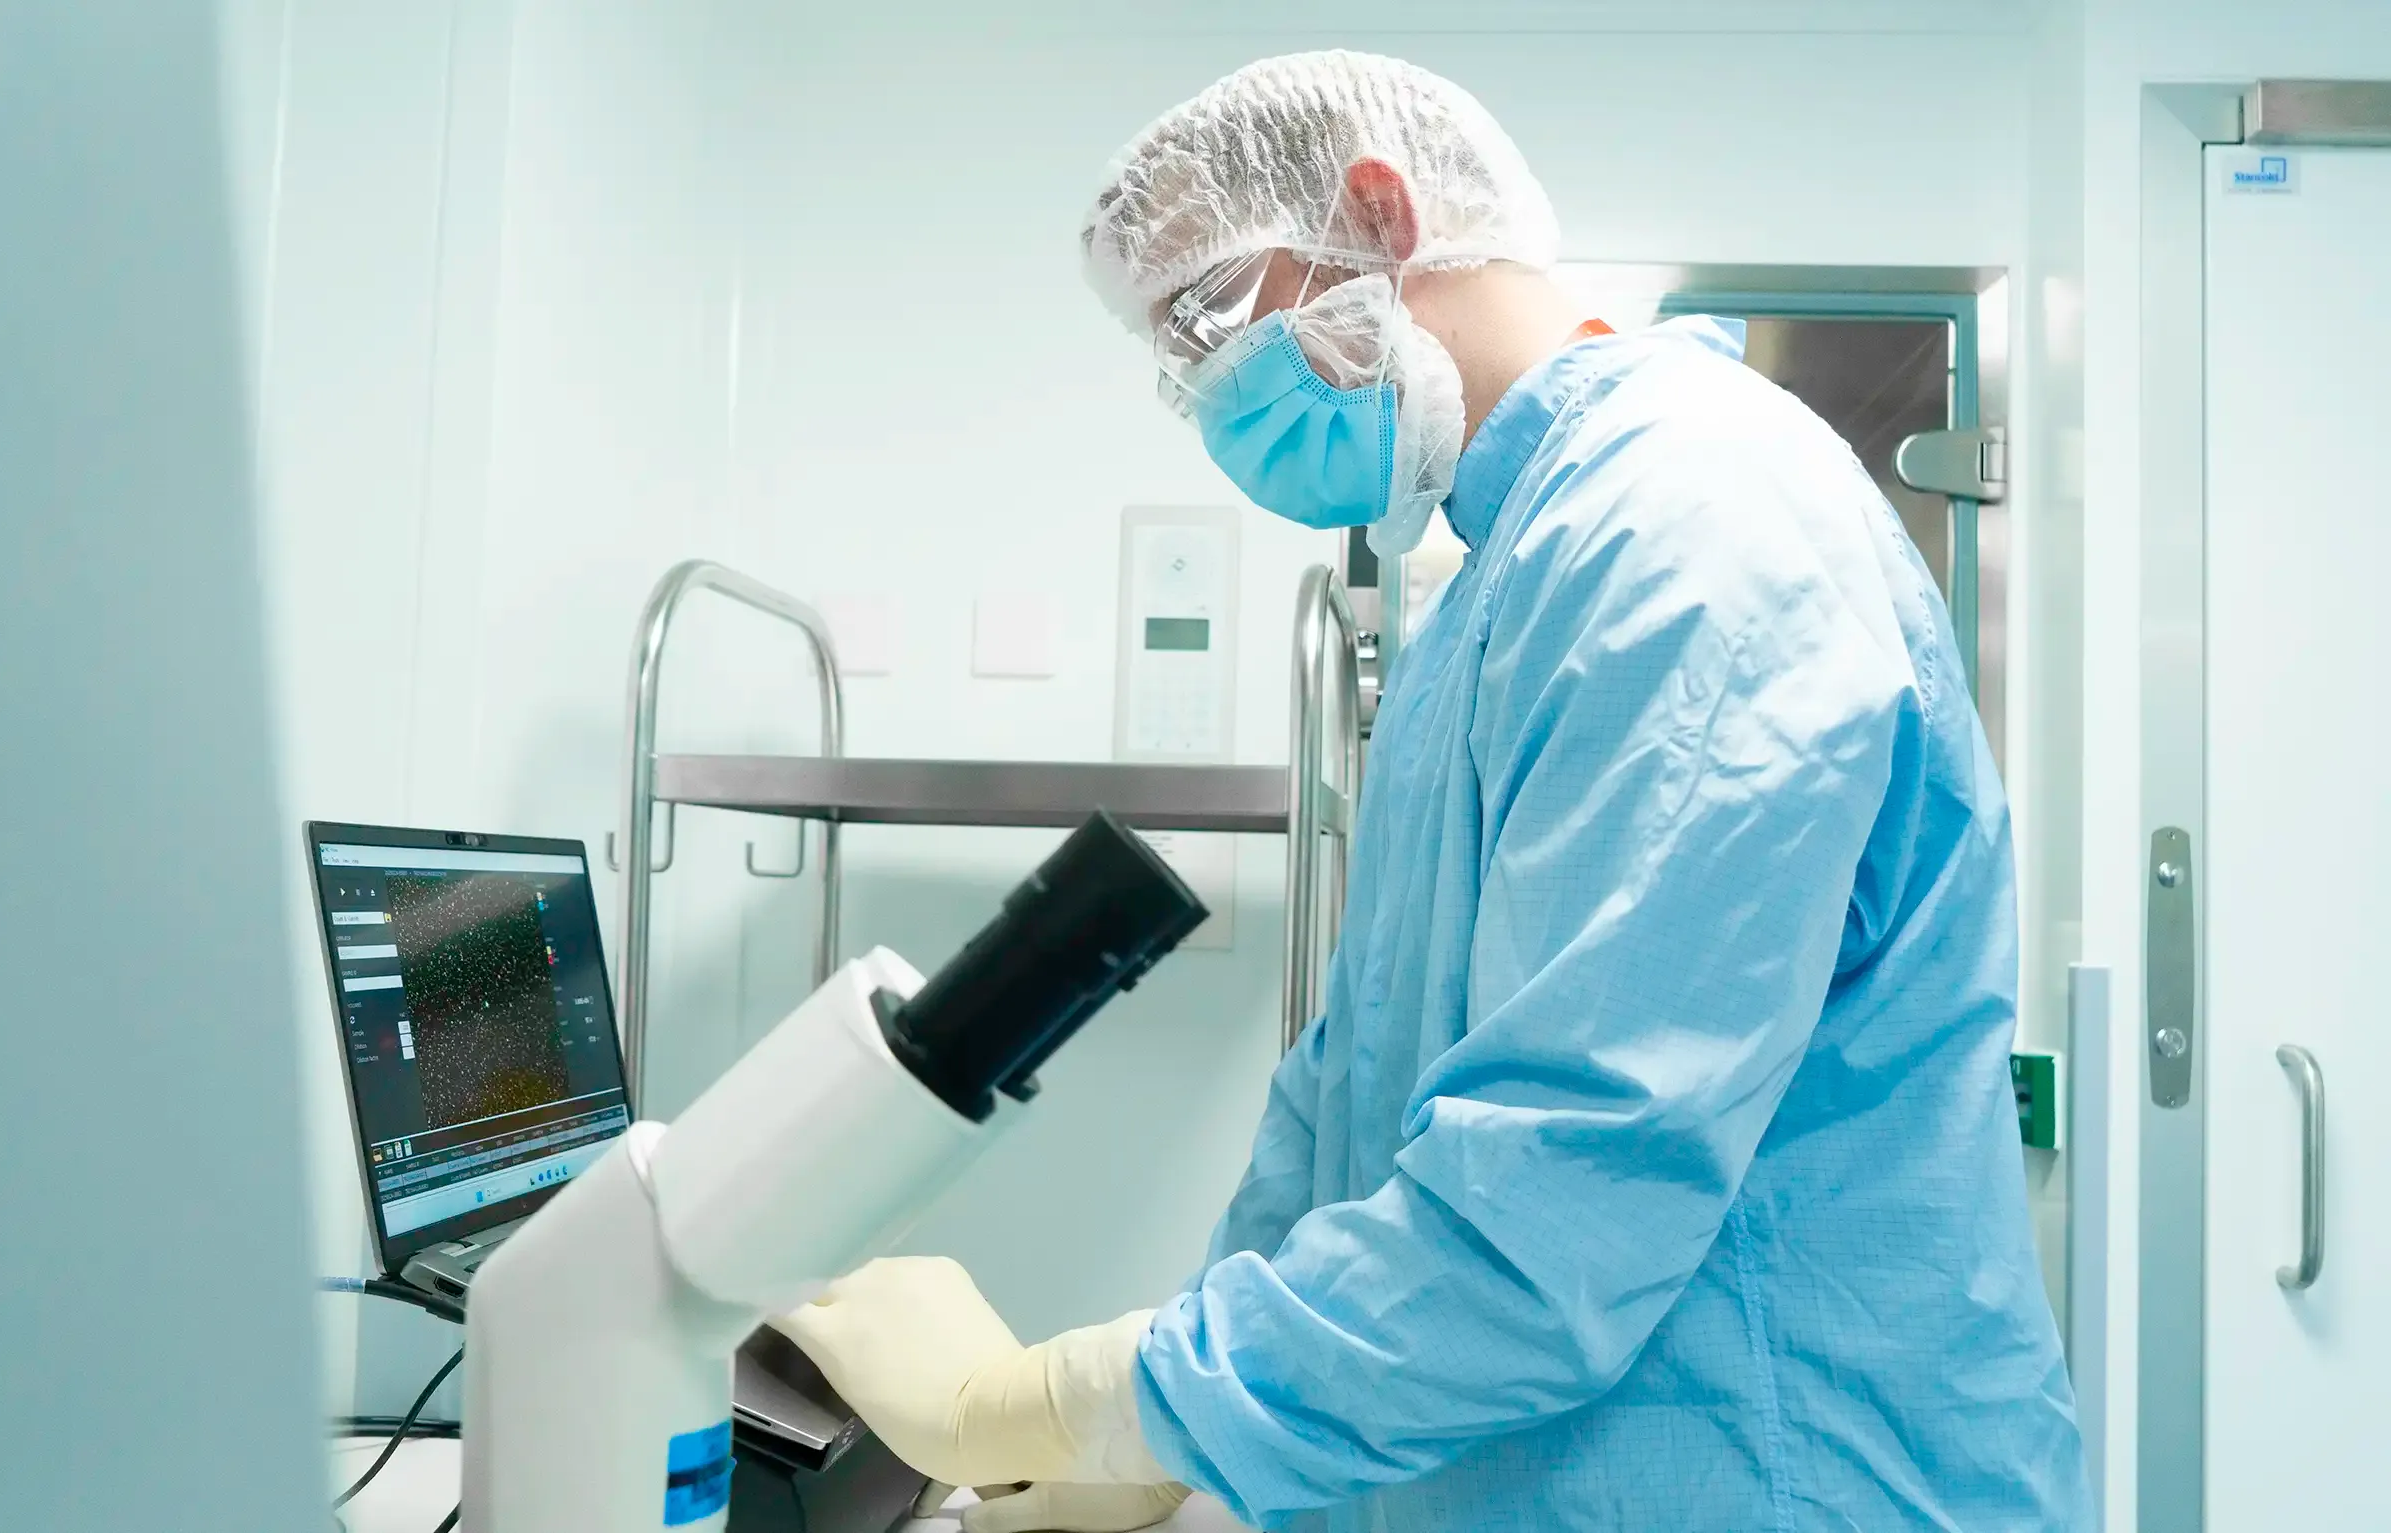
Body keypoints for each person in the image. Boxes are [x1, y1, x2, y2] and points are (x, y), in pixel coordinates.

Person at [778, 50, 2092, 1533]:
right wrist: (1179, 1443)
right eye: (1174, 356)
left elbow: (1562, 1199)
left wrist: (1097, 1400)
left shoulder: (1688, 536)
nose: (1207, 386)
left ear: (1383, 215)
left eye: (1208, 312)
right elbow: (1350, 1108)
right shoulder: (1500, 579)